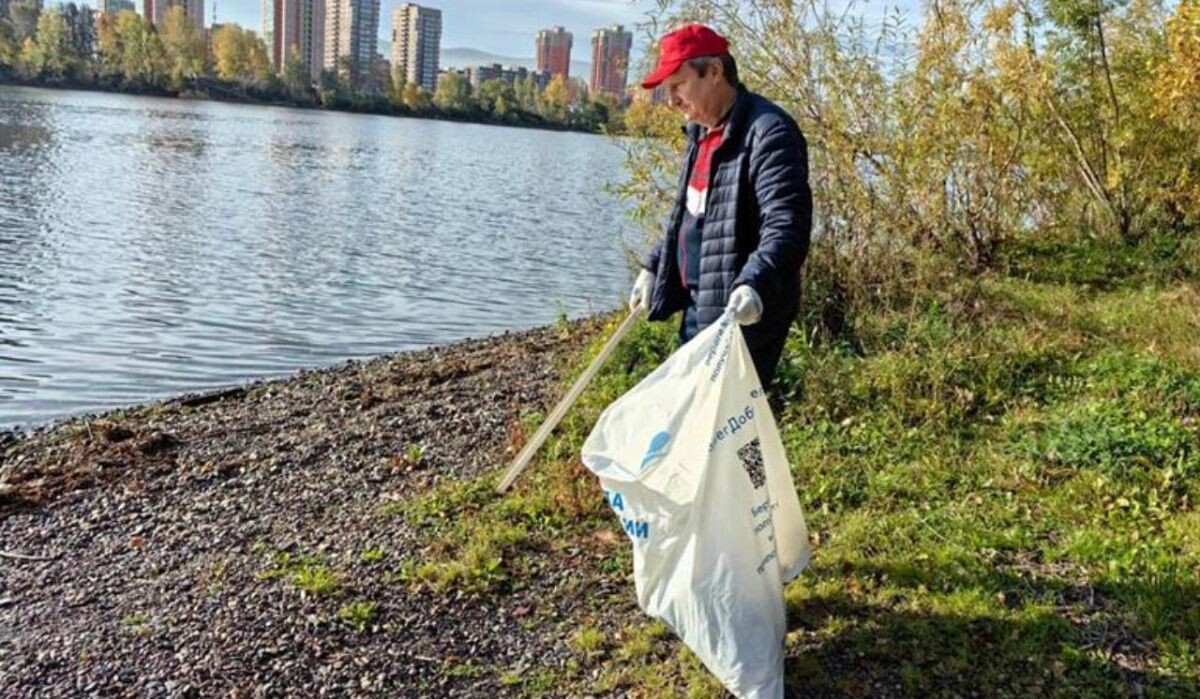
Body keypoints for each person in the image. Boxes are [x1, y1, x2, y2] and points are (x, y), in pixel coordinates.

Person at [628, 24, 812, 387]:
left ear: (714, 72)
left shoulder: (768, 132)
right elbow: (690, 217)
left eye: (678, 85)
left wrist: (755, 283)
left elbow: (787, 223)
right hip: (703, 306)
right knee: (687, 420)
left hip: (742, 314)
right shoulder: (703, 133)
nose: (672, 100)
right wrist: (654, 265)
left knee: (717, 433)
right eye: (667, 90)